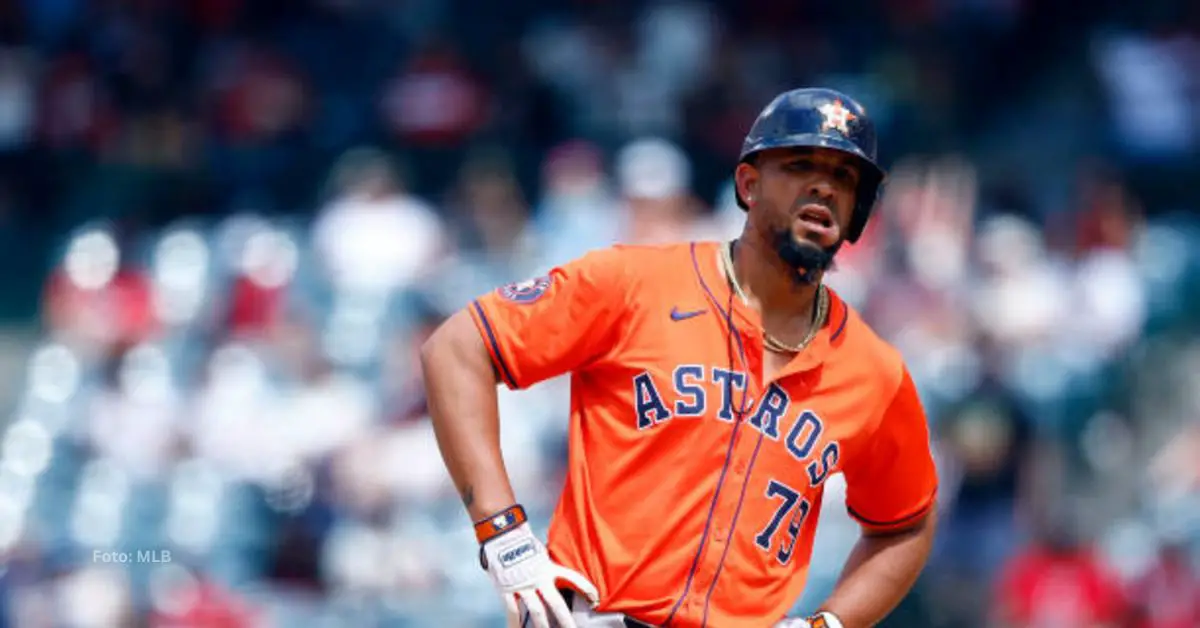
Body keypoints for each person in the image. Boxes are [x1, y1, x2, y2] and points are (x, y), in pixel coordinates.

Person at [420, 87, 939, 628]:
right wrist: (505, 537)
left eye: (845, 177)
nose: (824, 186)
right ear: (749, 183)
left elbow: (905, 524)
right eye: (801, 164)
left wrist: (830, 624)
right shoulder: (634, 284)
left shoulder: (873, 371)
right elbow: (457, 349)